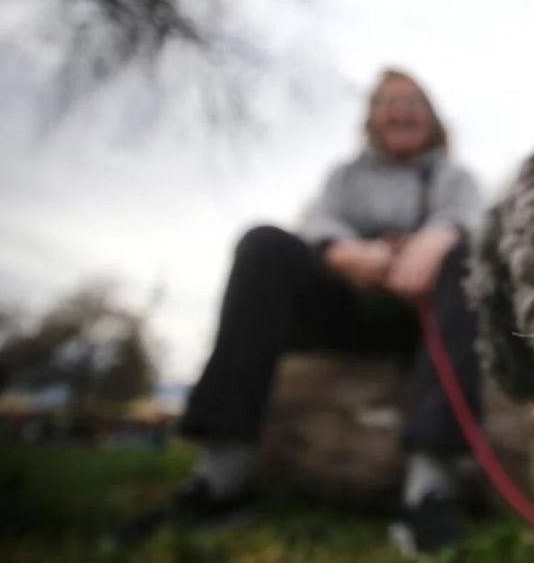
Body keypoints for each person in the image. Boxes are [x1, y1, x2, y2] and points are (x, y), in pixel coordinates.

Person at [127, 69, 483, 553]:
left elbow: (473, 219)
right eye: (390, 101)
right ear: (373, 117)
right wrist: (344, 251)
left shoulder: (454, 177)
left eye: (414, 101)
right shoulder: (345, 175)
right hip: (342, 310)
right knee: (263, 244)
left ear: (433, 118)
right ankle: (222, 478)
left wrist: (439, 238)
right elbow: (320, 221)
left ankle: (431, 488)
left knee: (467, 262)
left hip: (419, 322)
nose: (402, 109)